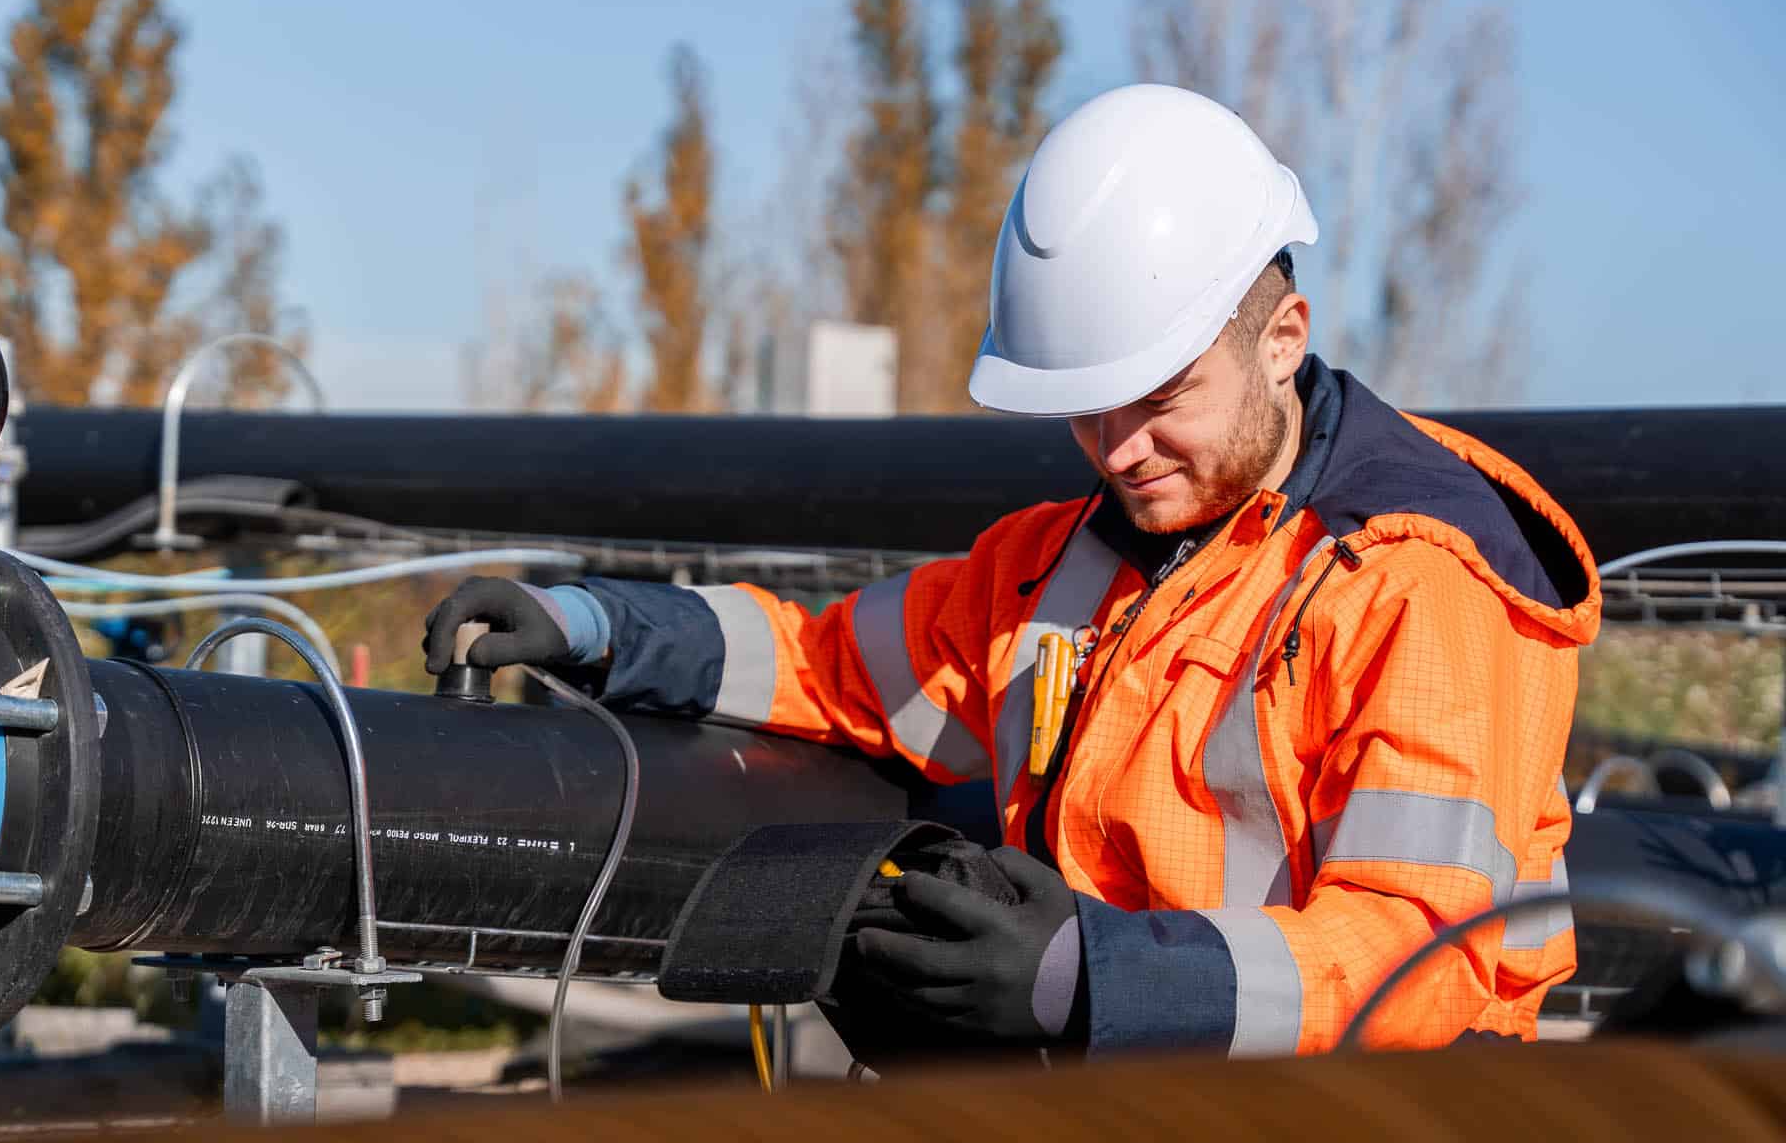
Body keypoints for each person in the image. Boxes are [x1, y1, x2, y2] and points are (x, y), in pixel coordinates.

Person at [423, 83, 1601, 1056]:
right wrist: (601, 627)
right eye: (1087, 413)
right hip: (1134, 1128)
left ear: (1280, 341)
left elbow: (1419, 957)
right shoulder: (1064, 564)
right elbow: (834, 666)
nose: (1118, 451)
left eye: (1158, 400)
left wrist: (1092, 976)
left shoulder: (1419, 582)